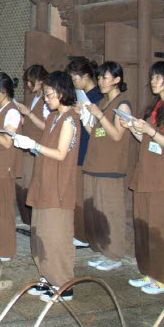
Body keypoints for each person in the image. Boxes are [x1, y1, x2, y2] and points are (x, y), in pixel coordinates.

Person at [124, 61, 164, 295]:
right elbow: (147, 141)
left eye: (157, 77)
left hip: (163, 179)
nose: (153, 81)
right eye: (152, 77)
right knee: (145, 227)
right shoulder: (156, 107)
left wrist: (150, 131)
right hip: (146, 174)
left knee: (163, 229)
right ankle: (150, 273)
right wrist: (132, 128)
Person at [13, 71, 80, 302]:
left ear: (62, 93)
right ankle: (48, 277)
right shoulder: (53, 118)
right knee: (41, 234)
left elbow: (61, 154)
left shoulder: (70, 119)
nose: (46, 99)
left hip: (59, 185)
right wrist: (30, 144)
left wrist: (34, 146)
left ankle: (63, 283)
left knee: (56, 235)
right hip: (44, 182)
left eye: (49, 94)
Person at [82, 61, 134, 272]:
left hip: (110, 167)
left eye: (105, 77)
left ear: (117, 80)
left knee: (111, 211)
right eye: (100, 78)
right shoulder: (103, 103)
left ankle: (115, 255)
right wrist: (84, 117)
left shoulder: (122, 105)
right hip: (94, 163)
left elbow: (117, 135)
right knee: (98, 212)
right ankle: (104, 251)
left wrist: (99, 115)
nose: (101, 82)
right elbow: (95, 132)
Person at [67, 57, 102, 247]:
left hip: (89, 147)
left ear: (86, 76)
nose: (74, 83)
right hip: (78, 146)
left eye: (75, 78)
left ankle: (83, 235)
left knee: (83, 195)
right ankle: (78, 232)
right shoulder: (80, 95)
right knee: (76, 193)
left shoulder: (97, 97)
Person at [0, 70, 22, 262]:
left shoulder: (12, 111)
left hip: (3, 166)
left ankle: (5, 249)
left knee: (3, 210)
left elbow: (7, 142)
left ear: (3, 91)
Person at [14, 64, 49, 226]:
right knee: (21, 184)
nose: (28, 85)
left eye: (31, 81)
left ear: (41, 81)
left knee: (30, 184)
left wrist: (29, 113)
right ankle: (27, 221)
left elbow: (47, 126)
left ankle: (33, 222)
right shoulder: (33, 97)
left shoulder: (46, 100)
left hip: (36, 146)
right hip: (26, 144)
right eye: (27, 81)